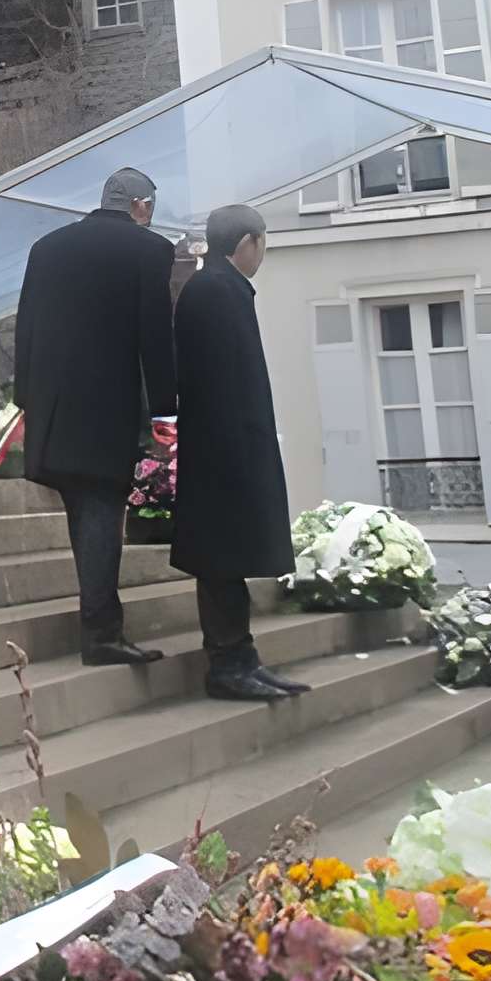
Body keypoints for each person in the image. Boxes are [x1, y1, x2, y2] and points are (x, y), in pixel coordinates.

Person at [12, 166, 178, 666]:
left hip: (54, 411)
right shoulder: (150, 251)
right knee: (104, 512)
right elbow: (155, 336)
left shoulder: (47, 249)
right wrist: (166, 409)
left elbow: (26, 327)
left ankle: (98, 620)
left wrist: (26, 401)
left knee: (82, 512)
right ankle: (102, 634)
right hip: (107, 411)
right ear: (142, 206)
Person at [170, 204, 307, 704]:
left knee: (227, 561)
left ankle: (241, 659)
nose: (263, 253)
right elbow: (224, 381)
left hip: (225, 446)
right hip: (224, 451)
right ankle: (228, 664)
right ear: (247, 243)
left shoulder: (218, 288)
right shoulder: (216, 290)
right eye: (262, 243)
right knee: (222, 560)